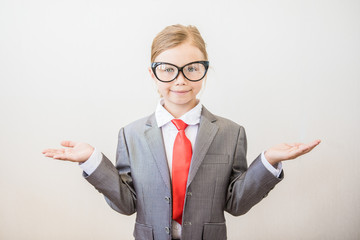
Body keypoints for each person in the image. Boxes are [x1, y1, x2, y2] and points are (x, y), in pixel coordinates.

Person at [42, 24, 320, 240]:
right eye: (168, 70)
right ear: (153, 74)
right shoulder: (131, 134)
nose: (180, 80)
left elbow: (235, 203)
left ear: (205, 71)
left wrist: (268, 161)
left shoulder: (231, 132)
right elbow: (127, 204)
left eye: (192, 69)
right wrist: (91, 160)